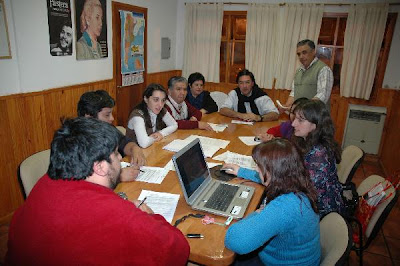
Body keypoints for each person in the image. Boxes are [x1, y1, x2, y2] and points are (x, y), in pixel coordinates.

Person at [6, 117, 190, 265]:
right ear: (100, 167)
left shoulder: (44, 183)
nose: (120, 158)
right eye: (116, 154)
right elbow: (178, 251)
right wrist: (150, 215)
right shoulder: (117, 214)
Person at [223, 139, 320, 265]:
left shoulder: (285, 207)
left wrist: (256, 214)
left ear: (274, 172)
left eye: (259, 166)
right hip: (295, 257)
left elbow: (235, 241)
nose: (257, 169)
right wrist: (241, 171)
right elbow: (265, 178)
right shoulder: (298, 182)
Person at [291, 99, 344, 217]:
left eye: (300, 120)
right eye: (294, 118)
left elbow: (303, 191)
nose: (293, 123)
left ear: (316, 125)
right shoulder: (305, 141)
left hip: (320, 211)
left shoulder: (319, 155)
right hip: (307, 202)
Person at [77, 90, 145, 182]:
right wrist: (117, 177)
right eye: (107, 115)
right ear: (89, 117)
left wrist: (134, 148)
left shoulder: (107, 128)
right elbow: (83, 178)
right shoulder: (77, 140)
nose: (112, 118)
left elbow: (124, 142)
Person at [281, 39, 333, 111]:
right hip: (300, 116)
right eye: (298, 54)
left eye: (304, 53)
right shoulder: (298, 71)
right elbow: (294, 92)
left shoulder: (323, 69)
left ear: (313, 52)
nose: (301, 57)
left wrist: (300, 108)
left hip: (316, 118)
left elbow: (322, 95)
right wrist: (286, 106)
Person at [126, 83, 178, 148]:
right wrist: (155, 137)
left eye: (163, 100)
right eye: (156, 100)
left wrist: (161, 133)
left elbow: (174, 125)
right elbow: (144, 143)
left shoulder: (161, 109)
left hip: (150, 149)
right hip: (133, 154)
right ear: (146, 99)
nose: (160, 104)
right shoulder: (137, 116)